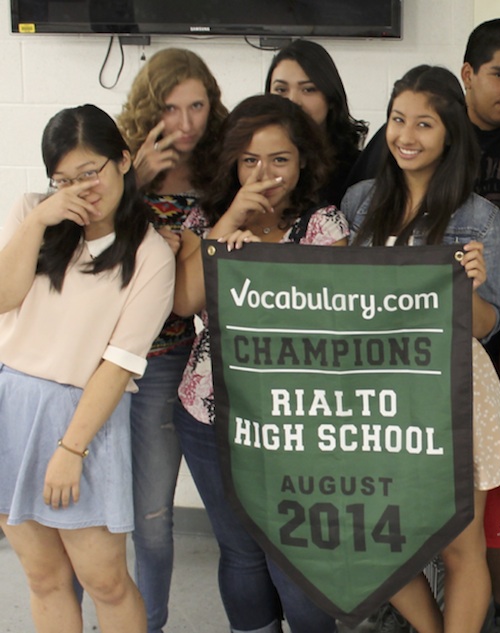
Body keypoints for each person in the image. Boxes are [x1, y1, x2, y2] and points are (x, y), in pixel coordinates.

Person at [342, 64, 500, 633]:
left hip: (452, 389)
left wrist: (471, 288)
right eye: (397, 120)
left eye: (424, 124)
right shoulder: (360, 202)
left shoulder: (480, 217)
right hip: (373, 392)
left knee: (462, 547)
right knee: (373, 535)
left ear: (449, 134)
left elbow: (487, 324)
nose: (406, 135)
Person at [172, 94, 347, 633]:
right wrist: (228, 224)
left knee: (296, 556)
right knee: (241, 552)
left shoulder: (324, 224)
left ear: (303, 162)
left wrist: (266, 266)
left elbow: (337, 320)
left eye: (279, 159)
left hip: (297, 421)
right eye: (249, 160)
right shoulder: (206, 219)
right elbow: (185, 301)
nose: (264, 173)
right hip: (210, 413)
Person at [0, 104, 175, 632]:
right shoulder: (35, 214)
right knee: (43, 578)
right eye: (64, 180)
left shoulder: (150, 254)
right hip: (12, 404)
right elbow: (4, 297)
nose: (81, 190)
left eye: (89, 173)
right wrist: (39, 219)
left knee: (105, 582)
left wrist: (71, 449)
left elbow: (118, 366)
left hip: (83, 420)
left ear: (123, 160)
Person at [117, 47, 228, 633]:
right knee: (123, 515)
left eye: (198, 106)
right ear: (148, 106)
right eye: (171, 108)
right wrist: (129, 184)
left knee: (180, 517)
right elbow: (72, 243)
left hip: (192, 354)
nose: (186, 123)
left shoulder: (220, 163)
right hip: (124, 355)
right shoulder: (119, 159)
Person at [265, 38, 368, 207]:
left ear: (330, 98)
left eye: (308, 89)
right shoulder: (253, 162)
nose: (293, 101)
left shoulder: (359, 171)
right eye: (281, 90)